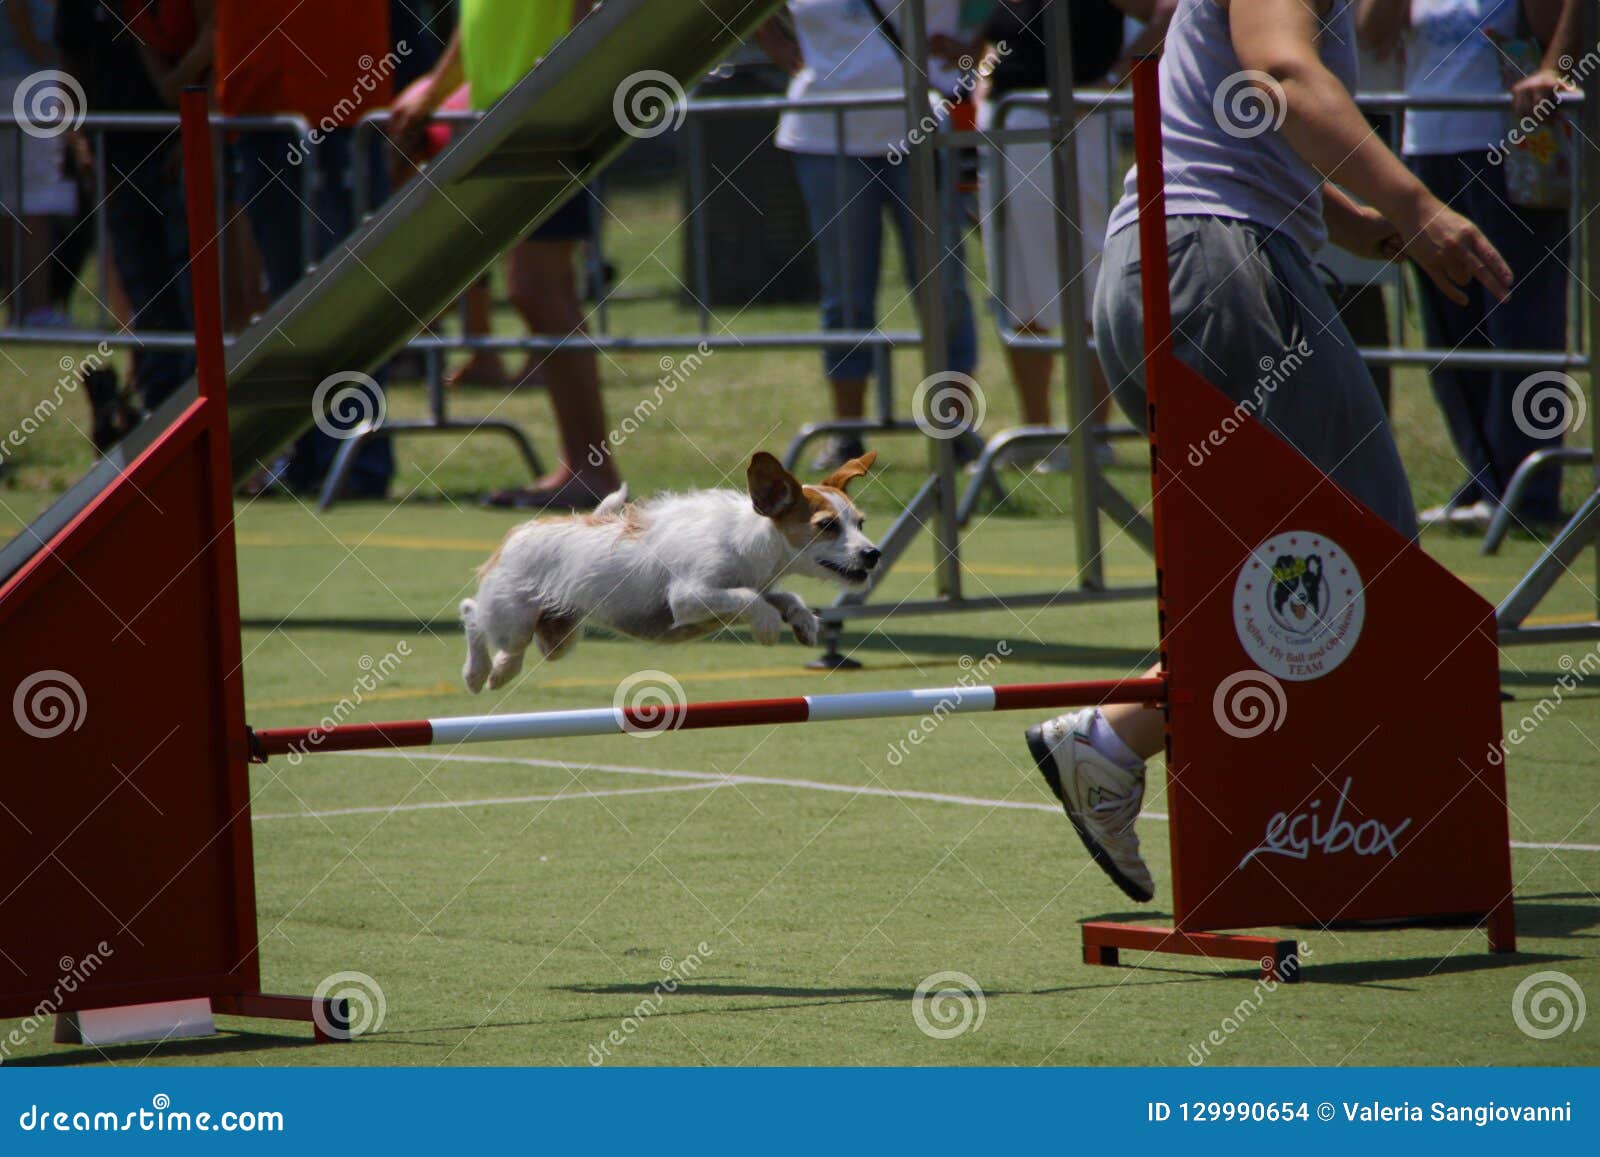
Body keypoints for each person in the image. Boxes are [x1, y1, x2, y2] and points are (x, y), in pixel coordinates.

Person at [1023, 0, 1512, 903]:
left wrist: (1350, 221)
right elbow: (1281, 77)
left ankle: (1236, 799)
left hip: (1169, 265)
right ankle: (1122, 741)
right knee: (1364, 554)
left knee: (1290, 561)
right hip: (1218, 261)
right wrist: (1414, 203)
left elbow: (1236, 114)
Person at [390, 0, 622, 510]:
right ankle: (584, 466)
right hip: (500, 121)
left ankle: (591, 470)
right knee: (540, 290)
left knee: (538, 288)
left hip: (546, 118)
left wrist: (566, 73)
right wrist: (435, 87)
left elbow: (587, 13)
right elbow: (476, 25)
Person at [1360, 0, 1579, 532]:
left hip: (1511, 151)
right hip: (1425, 149)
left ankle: (1528, 492)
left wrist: (1556, 64)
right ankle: (1485, 482)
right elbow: (1373, 34)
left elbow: (1560, 24)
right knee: (1449, 328)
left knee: (1521, 323)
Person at [936, 0, 1176, 471]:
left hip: (1072, 125)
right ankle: (1037, 432)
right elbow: (997, 45)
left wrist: (1113, 81)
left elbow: (1170, 12)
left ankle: (1093, 435)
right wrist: (980, 73)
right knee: (1016, 287)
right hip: (1006, 128)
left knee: (1086, 277)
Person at [758, 0, 982, 471]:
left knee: (944, 288)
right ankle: (847, 434)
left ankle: (956, 430)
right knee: (845, 295)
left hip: (922, 132)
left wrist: (972, 51)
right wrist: (775, 43)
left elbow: (1005, 16)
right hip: (826, 137)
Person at [216, 0, 396, 498]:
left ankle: (356, 457)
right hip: (260, 103)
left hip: (338, 104)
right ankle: (306, 454)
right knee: (289, 301)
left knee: (346, 299)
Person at [1, 0, 77, 326]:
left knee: (13, 203)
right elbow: (16, 8)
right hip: (27, 86)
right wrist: (45, 58)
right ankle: (36, 309)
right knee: (34, 202)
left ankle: (21, 308)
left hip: (18, 84)